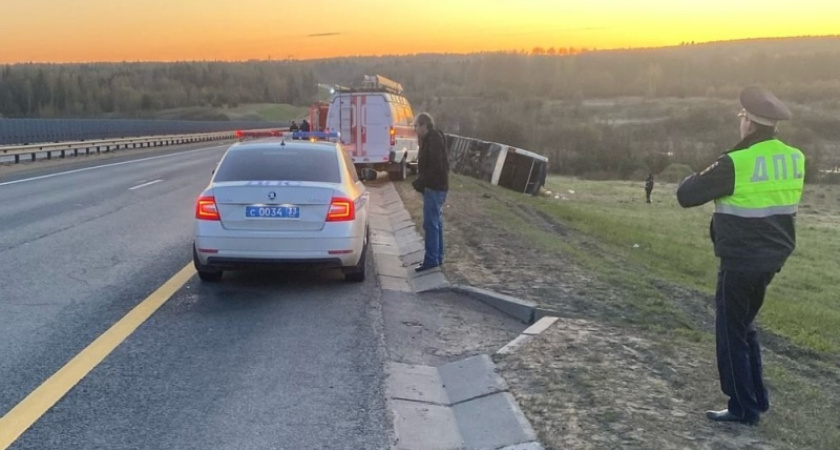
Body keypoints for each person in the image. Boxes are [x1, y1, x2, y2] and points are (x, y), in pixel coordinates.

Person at [676, 86, 805, 426]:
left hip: (741, 260)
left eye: (741, 116)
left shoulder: (737, 162)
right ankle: (756, 398)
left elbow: (686, 195)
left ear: (748, 121)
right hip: (772, 258)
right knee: (744, 325)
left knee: (730, 331)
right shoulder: (794, 157)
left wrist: (712, 165)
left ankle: (742, 407)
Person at [411, 112, 449, 272]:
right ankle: (437, 257)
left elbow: (434, 166)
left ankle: (431, 259)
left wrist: (421, 182)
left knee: (430, 224)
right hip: (437, 186)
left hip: (434, 187)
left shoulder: (433, 140)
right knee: (436, 223)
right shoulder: (433, 138)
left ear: (424, 125)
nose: (415, 129)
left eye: (416, 126)